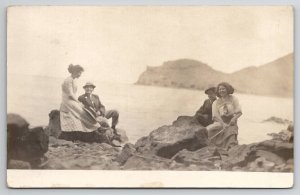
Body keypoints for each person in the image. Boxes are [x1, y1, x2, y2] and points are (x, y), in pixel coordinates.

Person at [59, 64, 100, 140]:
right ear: (75, 71)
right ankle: (92, 126)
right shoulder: (68, 80)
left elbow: (73, 94)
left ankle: (91, 126)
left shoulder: (73, 80)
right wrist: (78, 102)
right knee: (82, 112)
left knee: (83, 109)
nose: (80, 75)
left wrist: (78, 102)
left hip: (71, 100)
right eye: (79, 73)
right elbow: (71, 94)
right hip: (67, 101)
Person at [206, 82, 242, 150]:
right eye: (220, 89)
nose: (221, 91)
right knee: (208, 131)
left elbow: (239, 112)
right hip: (220, 122)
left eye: (223, 89)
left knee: (231, 132)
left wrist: (234, 119)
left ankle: (230, 147)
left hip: (231, 122)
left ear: (227, 89)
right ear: (218, 91)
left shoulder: (233, 99)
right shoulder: (215, 103)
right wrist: (223, 124)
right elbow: (215, 116)